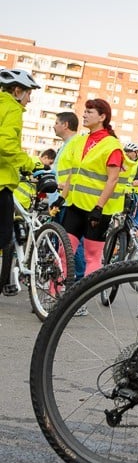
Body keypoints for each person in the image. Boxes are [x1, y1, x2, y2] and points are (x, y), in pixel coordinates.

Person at [59, 98, 127, 277]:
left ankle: (85, 298)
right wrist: (62, 198)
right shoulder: (80, 141)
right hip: (75, 205)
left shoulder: (112, 145)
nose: (84, 115)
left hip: (96, 210)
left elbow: (112, 180)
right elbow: (74, 173)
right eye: (85, 111)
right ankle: (55, 296)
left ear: (102, 117)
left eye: (90, 112)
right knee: (64, 252)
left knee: (92, 256)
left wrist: (99, 207)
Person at [0, 68, 43, 295]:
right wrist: (29, 164)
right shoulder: (11, 108)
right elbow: (6, 146)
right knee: (4, 236)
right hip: (2, 182)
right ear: (17, 91)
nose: (29, 99)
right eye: (28, 93)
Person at [50, 112, 86, 279]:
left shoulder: (77, 143)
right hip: (60, 200)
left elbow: (75, 171)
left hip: (68, 200)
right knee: (62, 244)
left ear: (65, 125)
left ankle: (78, 280)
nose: (54, 125)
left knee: (71, 244)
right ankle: (63, 279)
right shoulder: (66, 145)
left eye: (56, 122)